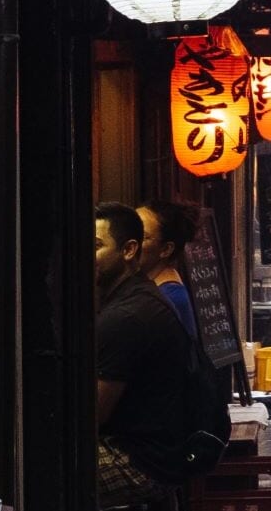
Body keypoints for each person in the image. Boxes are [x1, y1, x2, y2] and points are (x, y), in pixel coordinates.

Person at [94, 202, 195, 507]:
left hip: (140, 462)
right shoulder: (138, 295)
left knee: (45, 469)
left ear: (128, 250)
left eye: (97, 246)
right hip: (159, 452)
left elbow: (93, 416)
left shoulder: (129, 315)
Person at [137, 200, 198, 341]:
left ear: (165, 249)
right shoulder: (153, 286)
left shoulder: (168, 298)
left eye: (142, 236)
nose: (131, 242)